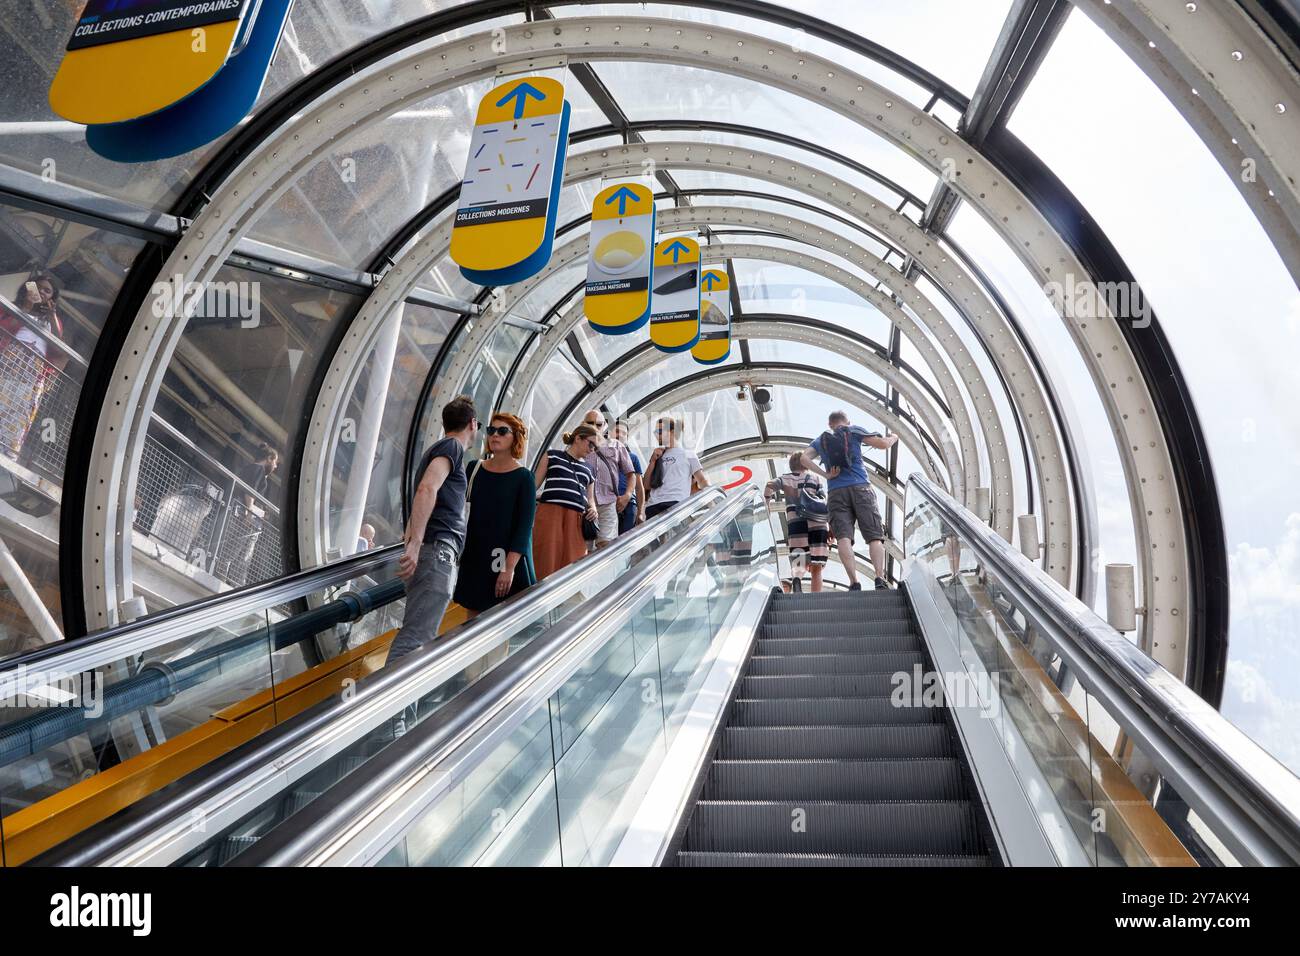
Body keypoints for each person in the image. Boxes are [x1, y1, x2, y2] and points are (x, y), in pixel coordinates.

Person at [386, 394, 477, 665]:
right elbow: (427, 488)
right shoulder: (452, 447)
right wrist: (415, 544)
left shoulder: (441, 449)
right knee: (416, 640)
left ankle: (398, 705)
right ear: (473, 423)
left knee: (418, 638)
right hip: (436, 552)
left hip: (433, 551)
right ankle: (389, 706)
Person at [801, 410, 899, 590]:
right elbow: (882, 444)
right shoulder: (853, 431)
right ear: (847, 421)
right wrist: (893, 436)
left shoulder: (822, 440)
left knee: (844, 537)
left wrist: (826, 474)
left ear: (830, 424)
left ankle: (854, 582)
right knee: (874, 536)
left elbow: (803, 457)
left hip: (836, 492)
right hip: (861, 487)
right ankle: (879, 578)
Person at [454, 412, 537, 619]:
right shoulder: (474, 468)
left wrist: (508, 569)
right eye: (491, 430)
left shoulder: (524, 478)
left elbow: (524, 528)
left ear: (515, 437)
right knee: (472, 616)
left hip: (503, 559)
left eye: (502, 431)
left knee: (500, 619)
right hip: (475, 555)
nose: (495, 435)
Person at [0, 271, 65, 463]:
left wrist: (52, 315)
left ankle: (5, 456)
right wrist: (27, 306)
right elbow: (5, 327)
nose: (42, 293)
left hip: (32, 375)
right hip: (8, 363)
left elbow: (59, 349)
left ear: (52, 298)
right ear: (29, 287)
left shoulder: (53, 321)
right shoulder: (12, 308)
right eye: (39, 287)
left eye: (47, 291)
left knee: (19, 415)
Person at [532, 424, 599, 579]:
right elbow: (533, 485)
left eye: (595, 447)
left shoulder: (589, 469)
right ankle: (538, 597)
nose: (592, 449)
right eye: (591, 444)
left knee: (573, 560)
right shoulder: (552, 456)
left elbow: (591, 499)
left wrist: (593, 509)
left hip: (576, 518)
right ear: (578, 438)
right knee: (545, 556)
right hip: (550, 513)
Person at [765, 451, 832, 593]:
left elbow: (769, 485)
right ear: (806, 464)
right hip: (817, 523)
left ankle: (796, 579)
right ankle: (816, 600)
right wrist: (830, 527)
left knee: (799, 556)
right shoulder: (815, 478)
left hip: (796, 523)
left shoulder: (785, 479)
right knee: (816, 566)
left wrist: (767, 501)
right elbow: (824, 503)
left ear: (791, 466)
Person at [580, 409, 636, 550]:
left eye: (598, 424)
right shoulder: (579, 445)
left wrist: (627, 496)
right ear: (583, 424)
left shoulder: (616, 445)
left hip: (608, 503)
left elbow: (631, 474)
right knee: (582, 549)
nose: (594, 427)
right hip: (583, 504)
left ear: (604, 425)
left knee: (606, 546)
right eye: (590, 423)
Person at [644, 417, 708, 519]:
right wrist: (652, 461)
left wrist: (712, 501)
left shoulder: (688, 454)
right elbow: (646, 485)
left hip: (676, 503)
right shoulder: (658, 456)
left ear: (672, 432)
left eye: (660, 431)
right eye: (655, 432)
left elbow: (701, 479)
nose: (657, 435)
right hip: (653, 505)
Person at [611, 420, 646, 534]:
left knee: (625, 541)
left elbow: (639, 488)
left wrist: (641, 512)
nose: (620, 435)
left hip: (629, 505)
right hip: (608, 504)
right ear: (609, 433)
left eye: (624, 433)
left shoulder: (633, 458)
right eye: (617, 431)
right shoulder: (602, 455)